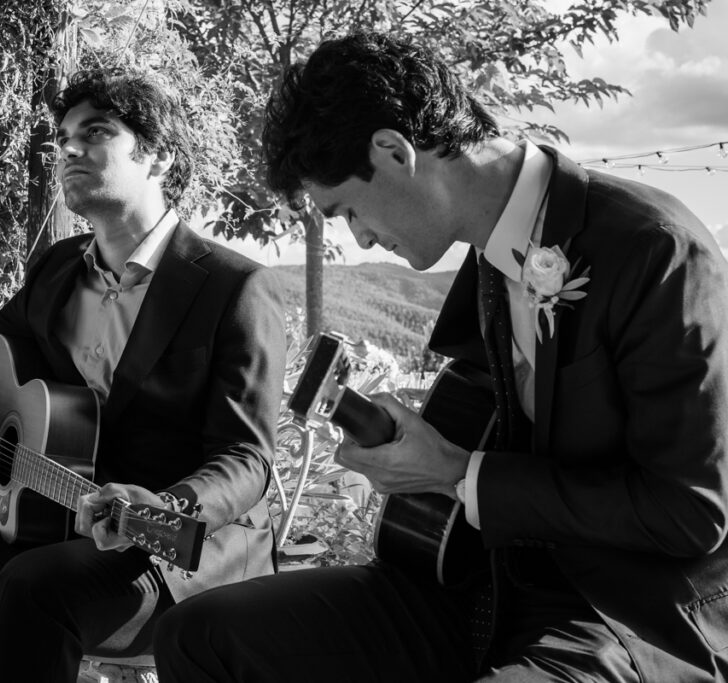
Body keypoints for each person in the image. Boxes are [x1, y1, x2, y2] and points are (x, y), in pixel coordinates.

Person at [153, 31, 728, 682]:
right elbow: (487, 422)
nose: (361, 236)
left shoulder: (656, 248)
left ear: (394, 152)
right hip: (477, 585)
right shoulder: (487, 265)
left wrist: (461, 473)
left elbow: (691, 513)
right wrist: (412, 454)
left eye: (345, 211)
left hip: (626, 611)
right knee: (201, 634)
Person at [0, 68, 286, 682]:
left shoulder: (234, 287)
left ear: (157, 157)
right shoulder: (57, 267)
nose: (69, 148)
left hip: (179, 556)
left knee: (35, 589)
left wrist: (164, 509)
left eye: (96, 132)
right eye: (63, 135)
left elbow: (246, 458)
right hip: (50, 529)